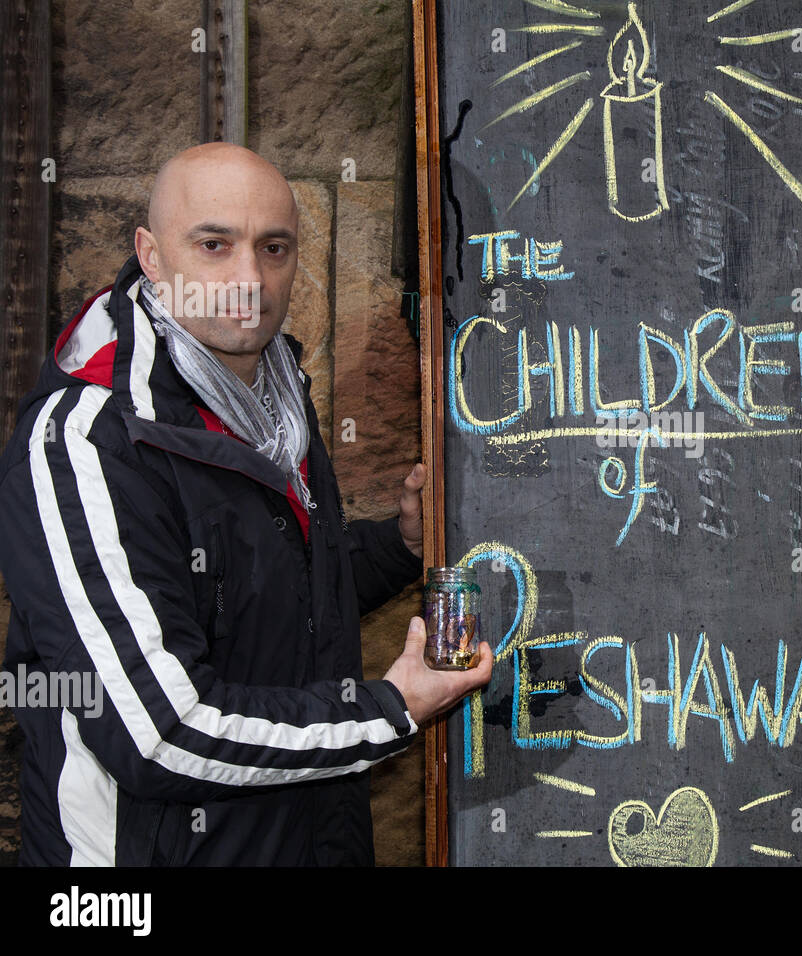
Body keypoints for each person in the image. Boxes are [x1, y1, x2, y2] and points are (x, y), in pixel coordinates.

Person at [0, 143, 492, 865]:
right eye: (213, 244)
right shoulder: (89, 442)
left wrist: (398, 547)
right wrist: (386, 711)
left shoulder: (273, 396)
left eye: (274, 248)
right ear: (151, 253)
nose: (248, 280)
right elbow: (157, 734)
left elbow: (268, 601)